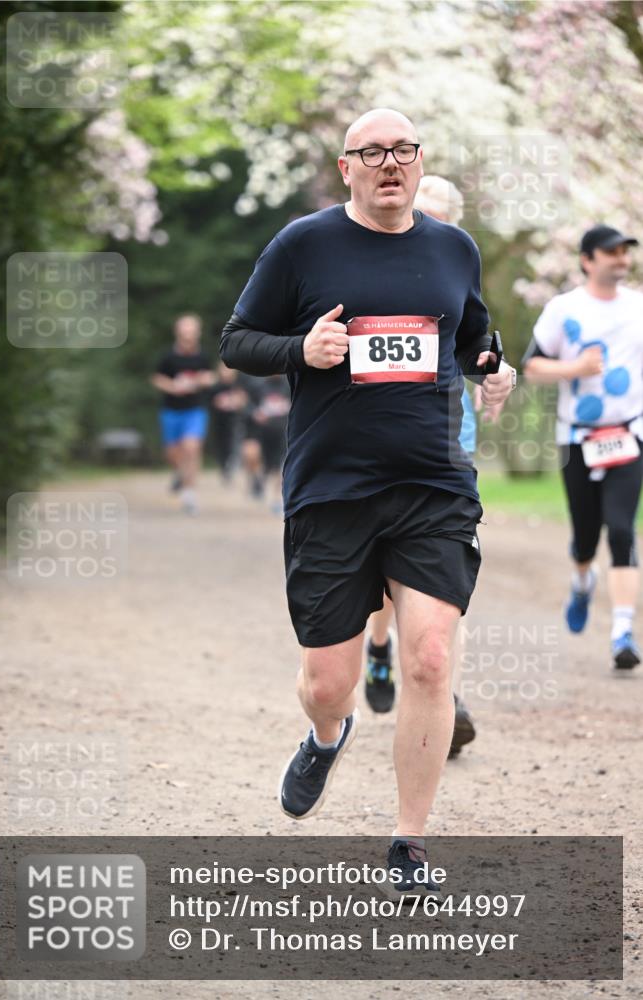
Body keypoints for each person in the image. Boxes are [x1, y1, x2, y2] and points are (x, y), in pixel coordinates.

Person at [220, 108, 515, 893]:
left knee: (426, 656)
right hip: (332, 491)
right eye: (372, 152)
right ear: (345, 166)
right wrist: (300, 349)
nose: (391, 163)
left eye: (403, 151)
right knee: (327, 681)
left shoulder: (454, 247)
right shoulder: (304, 244)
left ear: (420, 164)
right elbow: (237, 340)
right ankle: (326, 734)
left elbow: (470, 335)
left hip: (432, 487)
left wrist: (493, 365)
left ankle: (408, 844)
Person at [364, 176, 480, 764]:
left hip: (447, 434)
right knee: (386, 565)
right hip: (379, 439)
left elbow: (479, 343)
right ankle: (380, 646)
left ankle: (444, 691)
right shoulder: (373, 271)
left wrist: (496, 372)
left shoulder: (455, 267)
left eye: (433, 217)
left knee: (439, 573)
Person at [523, 225, 642, 670]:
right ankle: (581, 581)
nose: (620, 258)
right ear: (587, 260)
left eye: (625, 251)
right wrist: (575, 367)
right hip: (577, 437)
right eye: (611, 251)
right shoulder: (563, 309)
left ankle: (622, 632)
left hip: (629, 433)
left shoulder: (639, 307)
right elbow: (532, 366)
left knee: (623, 528)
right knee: (586, 536)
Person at [151, 314, 215, 514]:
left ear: (197, 333)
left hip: (195, 410)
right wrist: (172, 386)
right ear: (178, 333)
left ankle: (189, 494)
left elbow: (211, 378)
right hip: (171, 411)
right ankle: (180, 473)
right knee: (172, 453)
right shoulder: (168, 357)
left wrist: (202, 380)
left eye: (191, 331)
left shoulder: (202, 357)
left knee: (192, 447)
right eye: (184, 331)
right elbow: (157, 378)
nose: (188, 335)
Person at [240, 374, 291, 511]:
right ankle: (257, 480)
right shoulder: (255, 383)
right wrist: (255, 413)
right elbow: (245, 404)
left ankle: (277, 499)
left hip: (282, 432)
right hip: (259, 432)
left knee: (283, 466)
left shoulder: (290, 383)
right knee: (251, 454)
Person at [209, 362, 250, 483]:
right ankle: (223, 467)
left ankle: (232, 466)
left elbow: (244, 401)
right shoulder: (215, 387)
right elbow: (210, 403)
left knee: (234, 444)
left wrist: (238, 402)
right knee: (221, 447)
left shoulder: (238, 386)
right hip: (219, 422)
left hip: (235, 422)